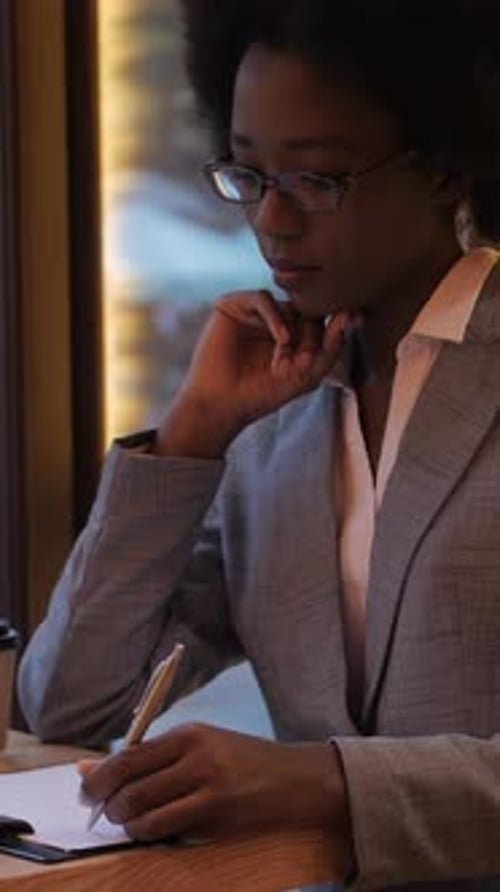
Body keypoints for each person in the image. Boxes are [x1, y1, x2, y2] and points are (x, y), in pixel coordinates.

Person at [18, 0, 500, 888]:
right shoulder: (278, 416)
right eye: (248, 175)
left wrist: (323, 782)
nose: (272, 222)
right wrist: (192, 435)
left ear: (444, 166)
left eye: (318, 180)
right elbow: (71, 698)